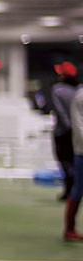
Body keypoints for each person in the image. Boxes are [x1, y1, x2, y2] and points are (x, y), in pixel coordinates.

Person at [50, 62, 78, 201]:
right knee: (75, 160)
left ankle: (69, 190)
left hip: (63, 132)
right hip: (77, 132)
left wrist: (68, 127)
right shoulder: (78, 90)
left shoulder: (57, 90)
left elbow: (60, 111)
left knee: (65, 161)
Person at [65, 69, 83, 241]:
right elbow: (79, 128)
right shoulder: (80, 97)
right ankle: (69, 229)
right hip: (82, 153)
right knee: (77, 190)